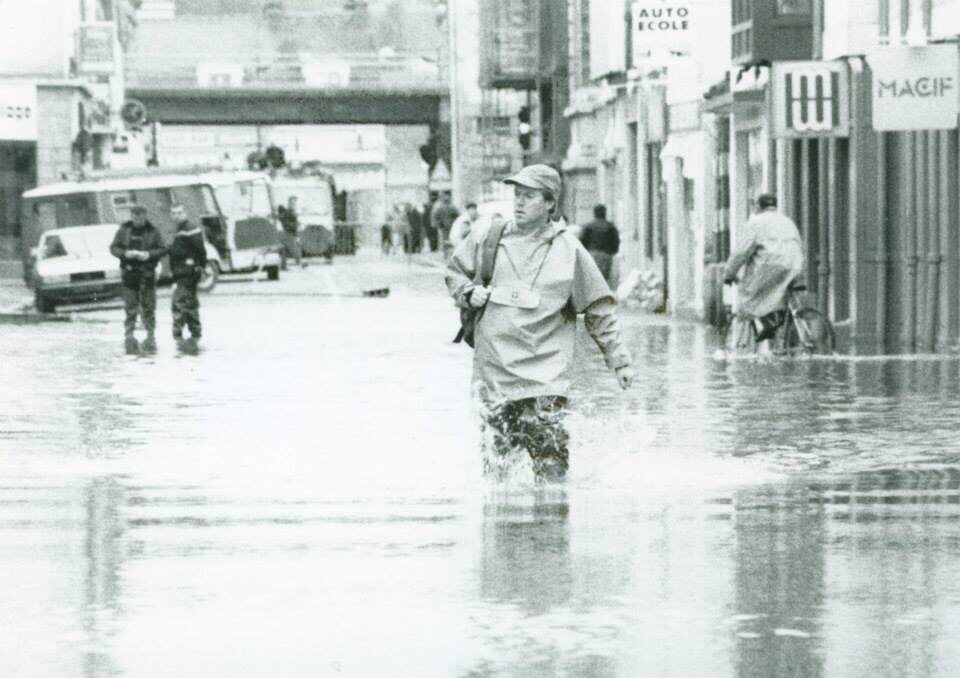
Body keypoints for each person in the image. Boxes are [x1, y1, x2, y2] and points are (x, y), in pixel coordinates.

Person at [446, 164, 635, 483]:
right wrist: (468, 292)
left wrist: (620, 362)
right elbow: (454, 272)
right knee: (497, 479)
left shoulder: (569, 250)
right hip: (496, 379)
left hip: (547, 380)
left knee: (552, 480)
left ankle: (549, 531)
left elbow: (598, 309)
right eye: (516, 195)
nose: (519, 203)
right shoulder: (488, 238)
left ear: (550, 203)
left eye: (529, 196)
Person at [723, 193, 804, 346]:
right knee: (775, 292)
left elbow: (740, 253)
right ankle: (777, 321)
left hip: (770, 265)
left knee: (748, 294)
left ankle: (763, 327)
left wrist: (729, 274)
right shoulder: (787, 221)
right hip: (794, 264)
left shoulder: (755, 222)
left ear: (758, 206)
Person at [110, 205, 166, 354]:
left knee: (149, 306)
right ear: (131, 216)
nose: (137, 220)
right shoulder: (124, 230)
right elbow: (113, 248)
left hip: (147, 273)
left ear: (145, 216)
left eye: (139, 217)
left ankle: (150, 335)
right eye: (134, 217)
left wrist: (148, 255)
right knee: (130, 306)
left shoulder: (153, 231)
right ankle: (129, 335)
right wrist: (125, 253)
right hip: (129, 273)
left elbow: (162, 249)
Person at [168, 204, 207, 350]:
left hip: (188, 272)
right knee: (189, 302)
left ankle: (178, 336)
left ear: (185, 212)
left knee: (178, 303)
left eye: (179, 212)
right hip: (181, 272)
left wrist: (200, 266)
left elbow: (200, 249)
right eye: (174, 213)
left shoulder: (190, 228)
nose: (177, 215)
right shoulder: (179, 230)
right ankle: (195, 333)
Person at [578, 204, 620, 285]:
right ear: (605, 213)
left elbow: (582, 240)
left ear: (594, 213)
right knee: (603, 278)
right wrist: (612, 251)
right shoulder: (610, 226)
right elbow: (616, 241)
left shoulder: (588, 226)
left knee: (592, 277)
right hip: (606, 254)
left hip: (592, 254)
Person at [430, 192, 459, 259]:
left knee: (450, 240)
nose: (446, 199)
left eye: (447, 197)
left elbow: (457, 216)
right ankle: (447, 255)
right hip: (445, 228)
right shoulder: (441, 208)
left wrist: (454, 222)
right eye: (445, 198)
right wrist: (439, 224)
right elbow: (435, 217)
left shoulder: (452, 207)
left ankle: (450, 255)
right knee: (446, 241)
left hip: (451, 227)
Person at [278, 196, 303, 268]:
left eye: (295, 203)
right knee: (294, 249)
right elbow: (285, 222)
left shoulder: (291, 211)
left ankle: (283, 265)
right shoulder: (288, 212)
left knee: (285, 249)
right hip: (288, 233)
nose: (294, 204)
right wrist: (296, 224)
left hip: (290, 232)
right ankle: (300, 263)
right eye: (292, 202)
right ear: (289, 203)